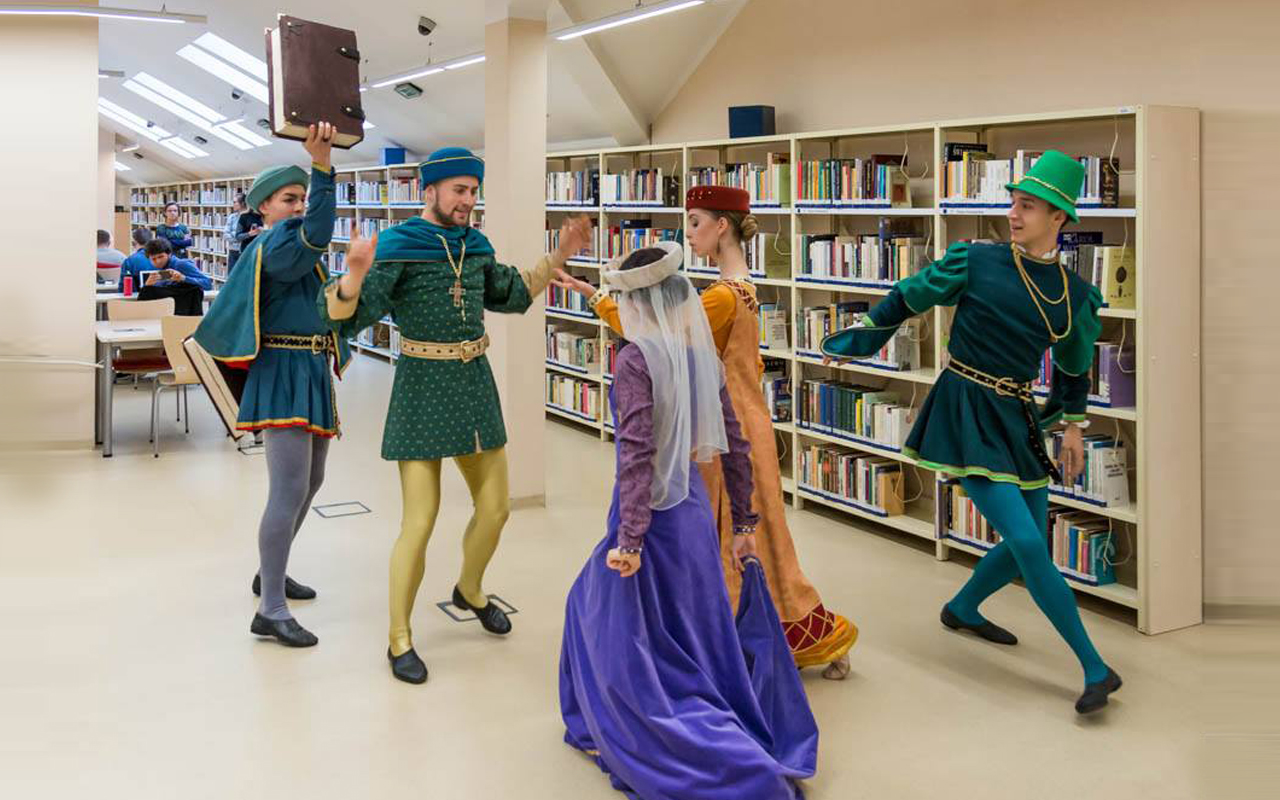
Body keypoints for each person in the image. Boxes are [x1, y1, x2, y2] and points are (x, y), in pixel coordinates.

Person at [820, 150, 1121, 714]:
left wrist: (1074, 427)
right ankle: (1095, 667)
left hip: (1018, 417)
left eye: (1027, 206)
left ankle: (961, 609)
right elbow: (910, 295)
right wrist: (859, 338)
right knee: (1028, 543)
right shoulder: (976, 260)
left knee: (1026, 543)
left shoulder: (1076, 296)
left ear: (1058, 217)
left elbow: (1075, 369)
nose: (1013, 214)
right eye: (1014, 203)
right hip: (965, 408)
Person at [556, 186, 857, 679]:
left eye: (696, 221)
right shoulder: (742, 287)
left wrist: (601, 297)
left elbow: (656, 338)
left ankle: (728, 640)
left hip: (721, 425)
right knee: (764, 534)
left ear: (722, 226)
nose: (689, 232)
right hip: (746, 418)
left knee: (724, 532)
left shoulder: (719, 297)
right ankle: (791, 628)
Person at [321, 146, 593, 684]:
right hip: (422, 388)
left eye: (473, 190)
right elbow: (348, 318)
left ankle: (470, 589)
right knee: (419, 522)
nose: (469, 200)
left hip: (473, 387)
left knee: (496, 509)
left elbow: (511, 293)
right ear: (430, 192)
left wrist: (559, 253)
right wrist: (352, 275)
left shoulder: (476, 246)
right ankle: (399, 637)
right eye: (459, 191)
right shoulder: (399, 245)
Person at [559, 242, 818, 799]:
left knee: (601, 613)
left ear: (639, 304)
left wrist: (630, 539)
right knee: (690, 626)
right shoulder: (701, 357)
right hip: (695, 514)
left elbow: (636, 454)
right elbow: (734, 445)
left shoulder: (634, 361)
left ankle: (642, 725)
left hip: (647, 518)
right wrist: (743, 524)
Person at [193, 123, 349, 648]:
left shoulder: (292, 250)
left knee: (311, 482)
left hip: (309, 368)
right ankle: (271, 610)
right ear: (264, 208)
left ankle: (271, 573)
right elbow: (320, 230)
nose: (300, 205)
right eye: (289, 199)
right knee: (287, 490)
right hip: (283, 369)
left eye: (303, 197)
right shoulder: (280, 243)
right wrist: (322, 166)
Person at [142, 237, 214, 290]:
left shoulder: (181, 264)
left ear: (169, 254)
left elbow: (207, 284)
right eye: (153, 259)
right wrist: (147, 286)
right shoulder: (159, 269)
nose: (158, 261)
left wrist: (183, 278)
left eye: (160, 257)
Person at [234, 196, 264, 275]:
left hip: (263, 251)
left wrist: (264, 231)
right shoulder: (244, 217)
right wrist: (250, 234)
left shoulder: (266, 216)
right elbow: (237, 237)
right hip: (247, 251)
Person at [226, 193, 245, 271]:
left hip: (244, 252)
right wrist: (239, 237)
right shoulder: (232, 217)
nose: (233, 204)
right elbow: (226, 235)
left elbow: (249, 236)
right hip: (233, 251)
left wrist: (235, 235)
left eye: (235, 202)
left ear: (242, 204)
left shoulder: (248, 218)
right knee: (231, 275)